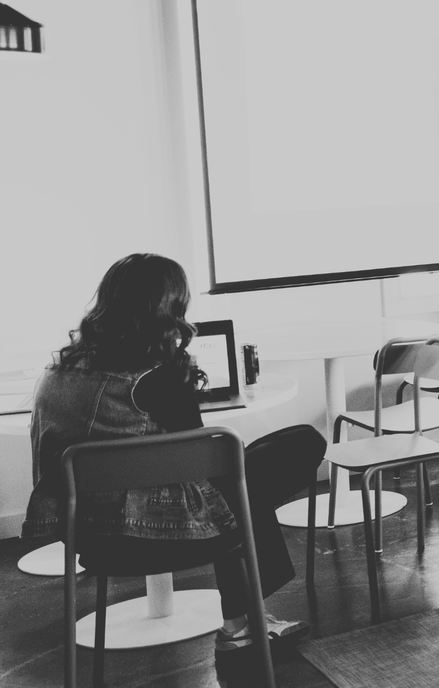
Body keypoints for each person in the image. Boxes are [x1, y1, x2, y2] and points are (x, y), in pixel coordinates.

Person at [22, 254, 326, 651]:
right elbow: (206, 465)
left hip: (84, 533)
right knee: (294, 449)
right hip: (160, 532)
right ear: (167, 309)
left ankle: (241, 624)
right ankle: (242, 620)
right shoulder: (159, 378)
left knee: (245, 473)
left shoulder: (56, 372)